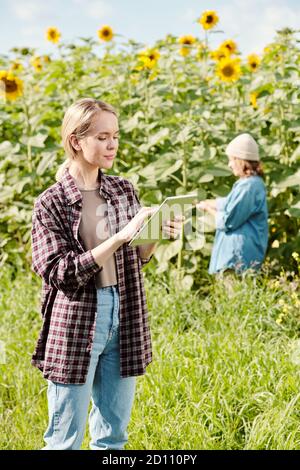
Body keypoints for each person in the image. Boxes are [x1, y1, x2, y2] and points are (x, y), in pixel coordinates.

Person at [30, 97, 184, 450]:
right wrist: (118, 235)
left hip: (125, 312)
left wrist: (156, 233)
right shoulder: (50, 202)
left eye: (115, 136)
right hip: (78, 320)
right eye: (101, 137)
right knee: (64, 439)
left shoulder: (122, 189)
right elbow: (60, 272)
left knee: (113, 436)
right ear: (76, 141)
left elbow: (135, 258)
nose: (112, 144)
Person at [196, 133, 268, 275]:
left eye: (232, 160)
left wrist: (208, 209)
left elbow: (229, 220)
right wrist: (209, 202)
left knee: (233, 295)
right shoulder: (250, 184)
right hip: (236, 257)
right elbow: (229, 203)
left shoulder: (248, 187)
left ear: (241, 161)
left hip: (237, 258)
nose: (229, 164)